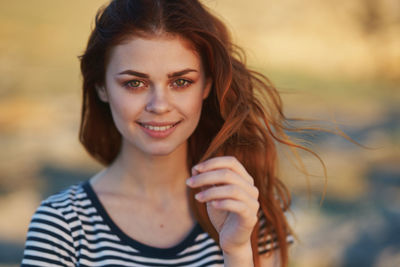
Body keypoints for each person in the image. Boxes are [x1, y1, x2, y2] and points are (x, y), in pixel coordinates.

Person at [21, 0, 305, 266]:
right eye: (135, 83)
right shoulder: (61, 225)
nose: (159, 105)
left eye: (181, 81)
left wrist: (237, 251)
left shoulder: (246, 208)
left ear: (206, 85)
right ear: (101, 87)